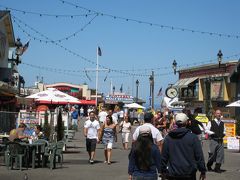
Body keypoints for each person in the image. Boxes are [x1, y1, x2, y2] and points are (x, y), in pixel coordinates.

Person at [161, 113, 206, 180]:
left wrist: (163, 171)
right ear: (187, 122)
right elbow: (199, 156)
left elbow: (164, 156)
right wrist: (202, 171)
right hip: (189, 174)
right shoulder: (193, 138)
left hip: (172, 174)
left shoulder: (168, 138)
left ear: (175, 123)